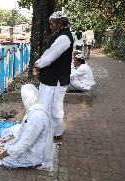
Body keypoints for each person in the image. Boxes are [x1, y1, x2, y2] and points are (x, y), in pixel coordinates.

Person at [34, 11, 74, 143]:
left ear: (60, 23)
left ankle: (56, 134)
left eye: (52, 23)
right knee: (47, 106)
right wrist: (39, 62)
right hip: (52, 78)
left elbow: (51, 55)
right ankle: (50, 132)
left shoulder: (64, 38)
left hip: (56, 79)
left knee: (54, 108)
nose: (50, 26)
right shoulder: (60, 36)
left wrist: (39, 64)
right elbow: (49, 52)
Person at [0, 84, 55, 170]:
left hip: (37, 154)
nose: (23, 101)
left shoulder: (37, 116)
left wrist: (6, 154)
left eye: (23, 98)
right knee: (10, 144)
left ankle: (35, 162)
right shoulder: (38, 107)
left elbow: (26, 143)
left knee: (6, 160)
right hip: (38, 146)